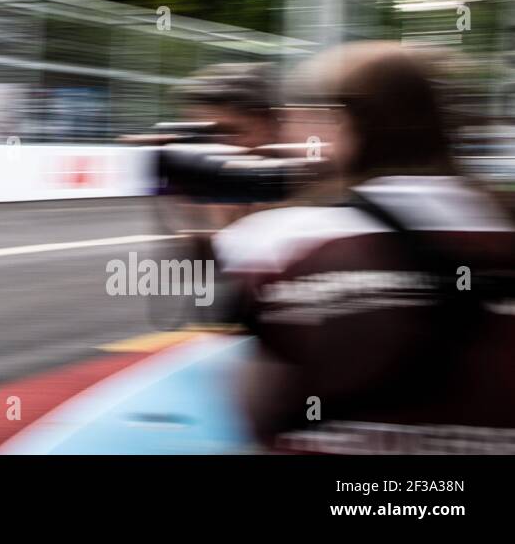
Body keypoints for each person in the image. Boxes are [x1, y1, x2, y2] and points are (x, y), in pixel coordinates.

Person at [214, 42, 515, 452]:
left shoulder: (277, 240)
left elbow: (256, 415)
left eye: (303, 116)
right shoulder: (500, 226)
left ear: (343, 126)